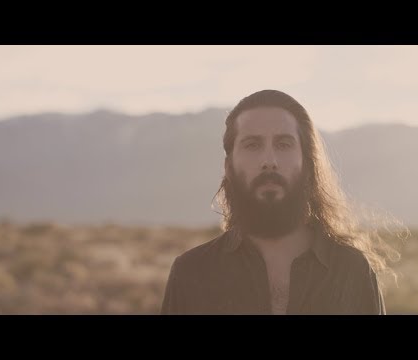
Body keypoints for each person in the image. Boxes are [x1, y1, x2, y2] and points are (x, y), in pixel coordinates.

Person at [161, 89, 401, 315]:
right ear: (229, 167)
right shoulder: (192, 273)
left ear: (308, 165)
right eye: (252, 145)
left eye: (283, 144)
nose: (269, 160)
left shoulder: (352, 271)